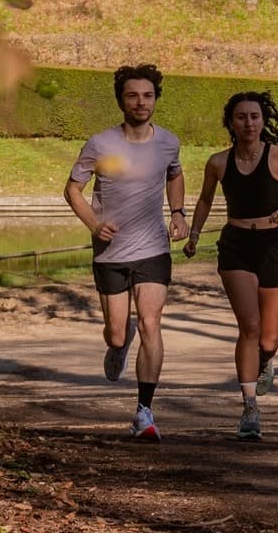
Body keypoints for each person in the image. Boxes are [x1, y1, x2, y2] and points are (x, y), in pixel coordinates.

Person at [64, 63, 187, 442]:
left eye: (147, 95)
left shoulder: (168, 142)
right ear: (121, 100)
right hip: (111, 252)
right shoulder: (100, 144)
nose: (140, 102)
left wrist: (179, 212)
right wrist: (93, 224)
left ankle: (144, 411)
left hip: (153, 247)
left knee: (153, 323)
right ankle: (120, 340)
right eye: (132, 95)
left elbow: (175, 174)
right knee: (117, 335)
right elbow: (72, 190)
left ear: (155, 99)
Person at [185, 90, 278, 440]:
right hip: (236, 246)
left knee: (268, 339)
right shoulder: (217, 162)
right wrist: (194, 234)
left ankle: (267, 359)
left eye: (254, 116)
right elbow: (205, 199)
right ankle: (250, 407)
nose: (249, 123)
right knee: (250, 327)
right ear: (231, 122)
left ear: (263, 120)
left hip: (273, 244)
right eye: (241, 117)